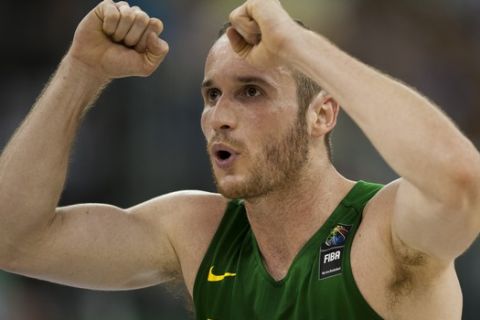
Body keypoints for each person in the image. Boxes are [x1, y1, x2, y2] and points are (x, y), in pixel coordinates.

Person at [0, 0, 478, 319]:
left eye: (251, 91)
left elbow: (462, 182)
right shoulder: (195, 232)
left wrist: (297, 44)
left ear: (322, 115)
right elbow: (13, 238)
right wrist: (80, 71)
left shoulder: (385, 230)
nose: (219, 117)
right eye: (211, 95)